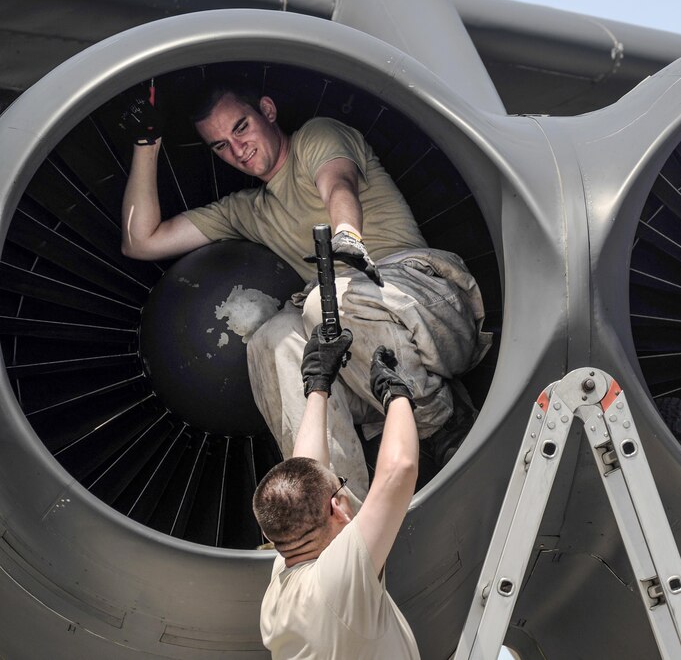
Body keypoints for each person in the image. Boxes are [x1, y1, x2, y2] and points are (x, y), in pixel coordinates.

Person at [117, 82, 491, 496]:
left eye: (241, 128)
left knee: (325, 301)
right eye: (221, 146)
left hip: (425, 302)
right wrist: (146, 144)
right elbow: (141, 240)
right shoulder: (247, 211)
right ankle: (337, 501)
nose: (237, 149)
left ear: (268, 110)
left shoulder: (316, 136)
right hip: (364, 357)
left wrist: (347, 235)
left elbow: (338, 184)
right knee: (270, 340)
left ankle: (442, 423)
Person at [252, 326, 421, 659]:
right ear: (340, 508)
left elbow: (306, 470)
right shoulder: (337, 584)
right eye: (341, 485)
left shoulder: (283, 583)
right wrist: (396, 393)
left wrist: (318, 386)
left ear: (270, 533)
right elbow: (399, 469)